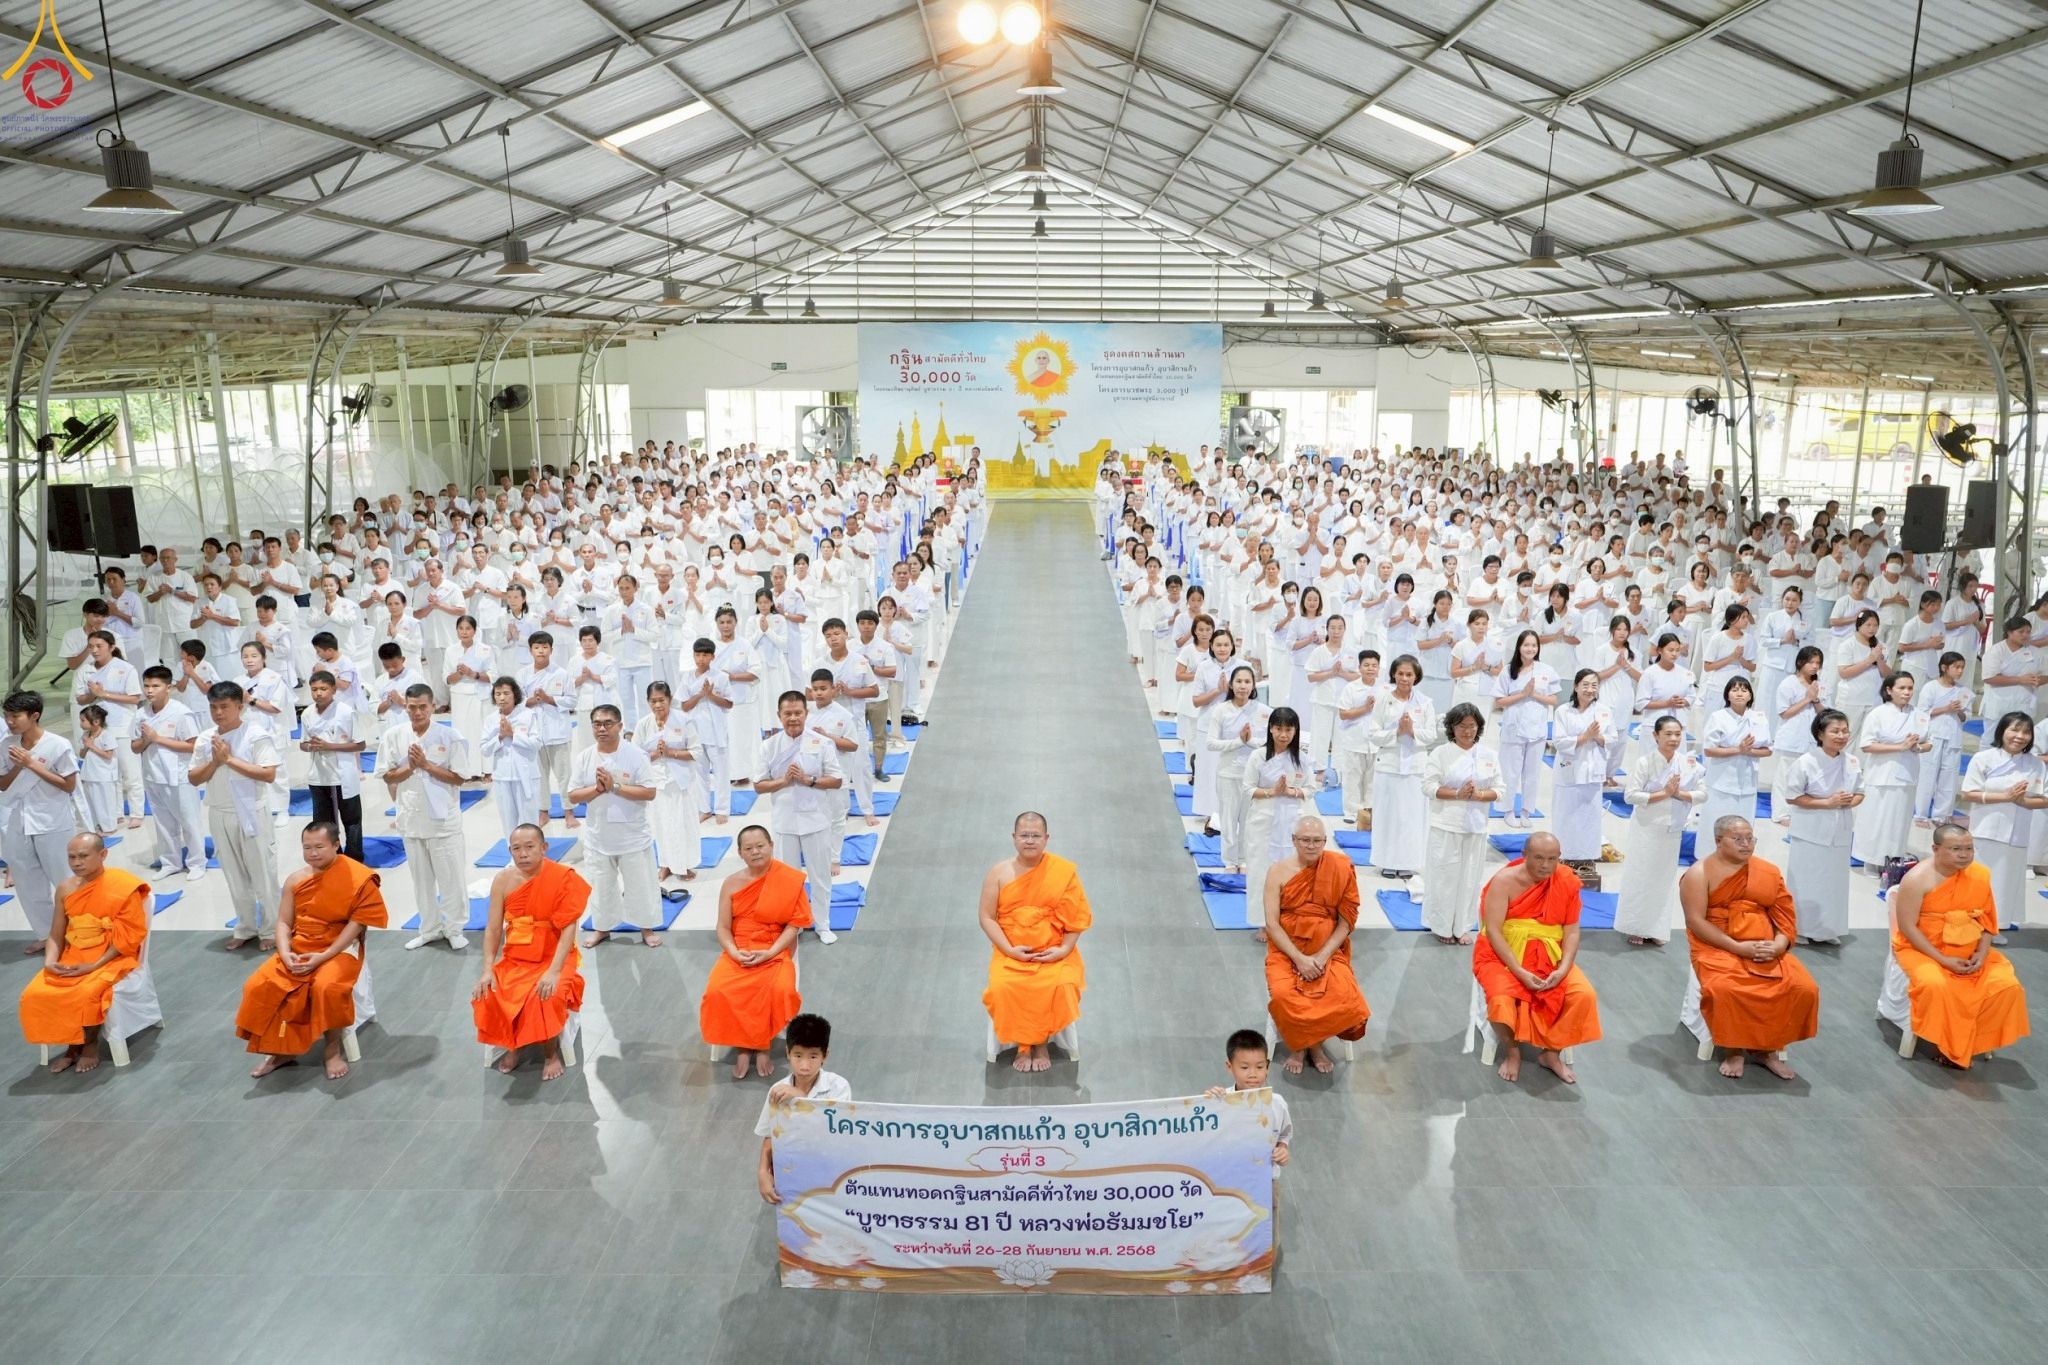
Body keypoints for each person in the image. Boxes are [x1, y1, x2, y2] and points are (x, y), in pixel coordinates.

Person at [234, 821, 388, 1080]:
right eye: (307, 847)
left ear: (336, 845)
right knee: (258, 985)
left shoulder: (358, 877)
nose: (313, 853)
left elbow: (356, 927)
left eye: (319, 847)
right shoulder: (296, 879)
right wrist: (284, 954)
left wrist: (324, 956)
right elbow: (283, 922)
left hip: (339, 948)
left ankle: (331, 1050)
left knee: (326, 987)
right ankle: (280, 1049)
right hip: (299, 946)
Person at [1679, 816, 1818, 1079]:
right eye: (1738, 839)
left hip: (1765, 943)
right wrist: (1737, 947)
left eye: (1750, 838)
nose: (1746, 844)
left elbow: (1784, 915)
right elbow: (1695, 921)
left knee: (1802, 987)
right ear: (1719, 841)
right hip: (1717, 944)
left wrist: (1778, 945)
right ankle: (1734, 1050)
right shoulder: (1700, 873)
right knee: (1726, 988)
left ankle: (1768, 1050)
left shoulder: (1767, 871)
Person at [1889, 824, 2030, 1068]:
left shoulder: (1980, 874)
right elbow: (1908, 928)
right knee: (1936, 985)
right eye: (1956, 849)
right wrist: (1943, 960)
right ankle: (1947, 1045)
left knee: (2007, 986)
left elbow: (1986, 919)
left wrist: (1982, 954)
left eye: (1969, 848)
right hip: (1923, 950)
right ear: (1935, 849)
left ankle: (1970, 1043)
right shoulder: (1916, 879)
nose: (1964, 855)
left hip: (1969, 949)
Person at [1474, 832, 1601, 1083]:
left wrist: (1564, 968)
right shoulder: (1504, 881)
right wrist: (1519, 971)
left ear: (1559, 858)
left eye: (1552, 859)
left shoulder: (1565, 880)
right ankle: (1512, 1051)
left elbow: (1572, 930)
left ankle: (1552, 1053)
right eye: (1539, 858)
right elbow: (1495, 931)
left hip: (1551, 953)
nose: (1545, 865)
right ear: (1524, 856)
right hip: (1503, 953)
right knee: (1501, 997)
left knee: (1583, 995)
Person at [17, 834, 149, 1074]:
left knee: (87, 991)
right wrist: (49, 961)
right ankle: (71, 1045)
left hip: (113, 955)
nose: (77, 862)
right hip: (74, 954)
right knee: (34, 993)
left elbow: (129, 937)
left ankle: (88, 1046)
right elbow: (56, 933)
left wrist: (94, 965)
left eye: (83, 856)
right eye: (72, 857)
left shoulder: (123, 885)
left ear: (103, 854)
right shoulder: (65, 888)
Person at [471, 823, 587, 1079]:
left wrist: (555, 971)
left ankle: (550, 1053)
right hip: (516, 957)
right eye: (516, 848)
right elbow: (492, 929)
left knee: (544, 994)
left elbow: (569, 929)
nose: (523, 854)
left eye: (529, 847)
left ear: (544, 848)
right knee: (491, 992)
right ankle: (514, 1043)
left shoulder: (563, 877)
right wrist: (487, 970)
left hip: (555, 956)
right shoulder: (503, 880)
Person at [980, 811, 1091, 1072]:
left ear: (1046, 838)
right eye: (1024, 835)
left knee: (1062, 985)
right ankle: (1023, 1044)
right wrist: (1009, 950)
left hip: (1054, 952)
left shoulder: (1063, 872)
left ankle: (1040, 1043)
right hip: (1011, 953)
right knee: (1003, 987)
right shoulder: (999, 872)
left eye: (1035, 836)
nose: (1029, 841)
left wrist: (1063, 949)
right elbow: (986, 917)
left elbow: (1077, 918)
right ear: (1014, 838)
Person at [701, 823, 811, 1079]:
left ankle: (761, 1046)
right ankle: (743, 1047)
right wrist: (734, 952)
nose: (756, 852)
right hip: (738, 950)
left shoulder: (789, 879)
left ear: (771, 845)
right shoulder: (731, 883)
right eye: (748, 848)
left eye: (760, 846)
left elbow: (795, 924)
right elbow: (723, 927)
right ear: (740, 853)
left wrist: (771, 952)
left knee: (780, 990)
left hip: (773, 949)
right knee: (717, 991)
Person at [1261, 816, 1369, 1073]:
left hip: (1328, 950)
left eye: (1317, 841)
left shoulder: (1339, 866)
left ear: (1324, 841)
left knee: (1345, 995)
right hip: (1287, 951)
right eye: (1305, 840)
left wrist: (1321, 957)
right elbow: (1271, 924)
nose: (1311, 846)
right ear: (1294, 841)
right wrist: (1299, 958)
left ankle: (1316, 1045)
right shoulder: (1277, 871)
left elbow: (1346, 922)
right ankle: (1299, 1047)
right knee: (1285, 995)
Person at [377, 683, 471, 951]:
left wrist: (427, 765)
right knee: (421, 881)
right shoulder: (394, 735)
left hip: (443, 822)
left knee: (451, 879)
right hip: (410, 819)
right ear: (405, 707)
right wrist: (410, 767)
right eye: (412, 707)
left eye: (422, 707)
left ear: (432, 707)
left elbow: (460, 777)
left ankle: (454, 928)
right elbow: (385, 774)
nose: (417, 712)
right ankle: (429, 928)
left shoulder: (449, 736)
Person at [188, 681, 281, 949]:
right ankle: (245, 927)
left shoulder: (255, 734)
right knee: (233, 874)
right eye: (213, 707)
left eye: (224, 707)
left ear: (239, 707)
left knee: (262, 873)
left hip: (252, 810)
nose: (218, 712)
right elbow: (194, 778)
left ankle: (271, 929)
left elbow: (268, 773)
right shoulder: (206, 739)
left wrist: (229, 760)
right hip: (219, 811)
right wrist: (215, 761)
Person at [754, 690, 844, 946]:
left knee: (820, 876)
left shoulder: (822, 742)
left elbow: (836, 780)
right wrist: (783, 781)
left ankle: (823, 923)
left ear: (806, 713)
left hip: (816, 821)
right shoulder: (769, 746)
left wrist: (808, 780)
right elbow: (758, 785)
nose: (793, 718)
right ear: (779, 716)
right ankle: (796, 922)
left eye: (798, 713)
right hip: (785, 822)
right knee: (788, 880)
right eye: (787, 714)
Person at [571, 703, 663, 948]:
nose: (602, 729)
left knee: (640, 885)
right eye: (597, 724)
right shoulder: (585, 757)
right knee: (601, 886)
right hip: (598, 836)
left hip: (632, 835)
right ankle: (602, 928)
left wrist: (615, 788)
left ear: (620, 726)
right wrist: (597, 790)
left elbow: (650, 792)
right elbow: (572, 795)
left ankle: (646, 928)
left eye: (608, 723)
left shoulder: (636, 755)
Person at [1, 690, 81, 954]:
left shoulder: (58, 744)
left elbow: (69, 785)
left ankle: (77, 933)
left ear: (34, 716)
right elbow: (2, 785)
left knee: (64, 881)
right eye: (7, 715)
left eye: (15, 716)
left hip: (52, 820)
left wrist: (32, 764)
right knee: (27, 882)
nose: (10, 721)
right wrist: (18, 766)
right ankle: (47, 934)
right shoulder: (6, 745)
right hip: (19, 821)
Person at [1617, 715, 1703, 946]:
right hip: (1646, 827)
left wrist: (1680, 795)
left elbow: (1703, 792)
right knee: (1641, 876)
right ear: (1655, 735)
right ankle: (1635, 926)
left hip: (1671, 828)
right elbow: (1630, 795)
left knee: (1663, 879)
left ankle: (1655, 928)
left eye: (1677, 734)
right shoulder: (1645, 762)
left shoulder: (1688, 763)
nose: (1674, 739)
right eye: (1668, 734)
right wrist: (1664, 794)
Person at [1958, 713, 2047, 935]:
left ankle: (1994, 928)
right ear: (2002, 731)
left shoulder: (2035, 764)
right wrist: (2006, 797)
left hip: (2017, 833)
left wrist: (2022, 800)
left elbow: (2044, 798)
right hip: (1986, 829)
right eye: (2014, 730)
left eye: (2026, 732)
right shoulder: (1984, 758)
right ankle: (1970, 926)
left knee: (2005, 885)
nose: (2020, 736)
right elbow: (1968, 793)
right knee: (1982, 881)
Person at [1783, 708, 1863, 944]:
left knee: (1834, 882)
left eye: (1845, 731)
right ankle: (1800, 929)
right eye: (1835, 731)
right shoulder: (1805, 762)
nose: (1841, 735)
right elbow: (1792, 796)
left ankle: (1828, 929)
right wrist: (1827, 802)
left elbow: (1860, 791)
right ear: (1820, 734)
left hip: (1840, 829)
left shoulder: (1852, 761)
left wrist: (1849, 801)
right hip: (1810, 830)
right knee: (1806, 881)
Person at [1423, 702, 1500, 945]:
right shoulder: (1441, 753)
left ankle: (1463, 926)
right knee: (1445, 877)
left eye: (1472, 726)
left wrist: (1478, 795)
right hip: (1446, 824)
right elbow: (1428, 786)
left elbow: (1500, 789)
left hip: (1476, 826)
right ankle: (1442, 925)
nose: (1467, 731)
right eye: (1462, 726)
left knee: (1470, 878)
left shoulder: (1489, 755)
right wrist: (1458, 794)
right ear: (1452, 728)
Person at [756, 1013, 851, 1204]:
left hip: (829, 1171)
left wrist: (802, 1099)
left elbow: (839, 1132)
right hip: (792, 1170)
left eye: (813, 1056)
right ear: (788, 1052)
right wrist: (762, 1171)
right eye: (798, 1056)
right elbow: (770, 1135)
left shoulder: (838, 1086)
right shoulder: (778, 1091)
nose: (805, 1066)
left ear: (825, 1055)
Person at [132, 665, 206, 880]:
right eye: (146, 686)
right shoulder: (141, 714)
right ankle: (170, 861)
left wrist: (158, 739)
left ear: (169, 687)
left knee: (189, 821)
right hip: (153, 776)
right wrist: (146, 740)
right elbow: (134, 747)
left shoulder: (181, 713)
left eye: (156, 686)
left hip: (179, 776)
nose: (150, 691)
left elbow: (194, 745)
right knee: (163, 822)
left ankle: (197, 862)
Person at [1240, 706, 1310, 932]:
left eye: (1288, 729)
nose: (1283, 734)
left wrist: (1292, 792)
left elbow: (1311, 789)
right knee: (1262, 871)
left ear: (1295, 731)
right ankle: (1263, 922)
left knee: (1290, 873)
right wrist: (1273, 792)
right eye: (1279, 728)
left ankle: (1286, 920)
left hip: (1290, 822)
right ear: (1270, 729)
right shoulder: (1258, 756)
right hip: (1263, 821)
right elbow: (1248, 789)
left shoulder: (1302, 759)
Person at [1369, 654, 1437, 880]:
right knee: (1387, 815)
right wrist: (1397, 732)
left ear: (1416, 676)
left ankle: (1408, 862)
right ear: (1393, 674)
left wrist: (1412, 731)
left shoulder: (1425, 703)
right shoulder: (1383, 701)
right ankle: (1387, 861)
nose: (1404, 678)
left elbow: (1432, 735)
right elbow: (1372, 734)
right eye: (1400, 674)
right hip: (1388, 766)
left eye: (1409, 674)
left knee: (1411, 816)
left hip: (1415, 768)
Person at [1852, 670, 1928, 867]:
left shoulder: (1919, 715)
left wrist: (1916, 747)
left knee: (1899, 822)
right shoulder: (1878, 713)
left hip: (1907, 775)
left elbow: (1929, 742)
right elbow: (1866, 745)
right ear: (1889, 690)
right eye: (1901, 688)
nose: (1907, 692)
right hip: (1881, 775)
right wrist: (1899, 747)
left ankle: (1893, 860)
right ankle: (1870, 860)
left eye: (1910, 688)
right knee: (1878, 819)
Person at [636, 679, 702, 890]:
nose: (658, 705)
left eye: (661, 700)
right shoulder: (643, 724)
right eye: (653, 701)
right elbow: (635, 756)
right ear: (648, 702)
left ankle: (685, 865)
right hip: (656, 783)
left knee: (683, 825)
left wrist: (671, 753)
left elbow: (696, 752)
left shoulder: (684, 720)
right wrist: (655, 753)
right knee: (660, 824)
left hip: (680, 781)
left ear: (670, 699)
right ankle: (665, 864)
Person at [1491, 629, 1557, 829]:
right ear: (1519, 647)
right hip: (1513, 729)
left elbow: (1553, 699)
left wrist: (1534, 694)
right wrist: (1523, 693)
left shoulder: (1546, 670)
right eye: (1526, 645)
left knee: (1532, 773)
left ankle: (1526, 811)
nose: (1530, 649)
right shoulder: (1508, 671)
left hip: (1537, 730)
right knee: (1510, 773)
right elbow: (1499, 701)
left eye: (1534, 645)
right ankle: (1508, 810)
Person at [1551, 669, 1614, 869]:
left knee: (1590, 815)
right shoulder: (1563, 711)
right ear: (1576, 686)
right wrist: (1585, 737)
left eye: (1594, 685)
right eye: (1585, 684)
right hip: (1569, 769)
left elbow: (1612, 739)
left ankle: (1587, 857)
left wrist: (1597, 737)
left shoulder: (1604, 711)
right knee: (1566, 814)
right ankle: (1564, 855)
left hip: (1593, 770)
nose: (1590, 689)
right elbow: (1558, 741)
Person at [1203, 1031, 1291, 1169]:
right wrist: (1208, 1104)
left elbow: (1283, 1135)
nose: (1252, 1074)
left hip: (1265, 1179)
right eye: (1244, 1067)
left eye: (1260, 1067)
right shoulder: (1221, 1101)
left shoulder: (1278, 1104)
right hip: (1227, 1178)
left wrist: (1283, 1149)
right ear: (1229, 1067)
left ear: (1267, 1067)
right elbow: (1205, 1138)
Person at [1207, 665, 1264, 872]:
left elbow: (1270, 742)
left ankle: (1243, 859)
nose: (1243, 686)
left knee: (1248, 821)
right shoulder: (1221, 710)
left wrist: (1251, 741)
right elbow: (1211, 743)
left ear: (1253, 685)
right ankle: (1230, 861)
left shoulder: (1262, 710)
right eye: (1239, 681)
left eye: (1247, 682)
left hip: (1252, 776)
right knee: (1229, 820)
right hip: (1228, 773)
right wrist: (1238, 742)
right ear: (1231, 684)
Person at [1699, 676, 1769, 836]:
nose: (1740, 694)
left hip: (1747, 780)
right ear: (1727, 695)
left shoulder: (1758, 717)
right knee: (1716, 820)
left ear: (1750, 696)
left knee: (1742, 822)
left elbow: (1768, 750)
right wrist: (1739, 749)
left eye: (1744, 690)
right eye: (1735, 690)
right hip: (1720, 779)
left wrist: (1748, 751)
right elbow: (1709, 750)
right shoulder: (1718, 717)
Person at [1914, 651, 1970, 827]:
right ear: (1944, 667)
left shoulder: (1964, 692)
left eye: (1962, 668)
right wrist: (1946, 708)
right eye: (1956, 667)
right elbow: (1922, 712)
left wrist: (1959, 710)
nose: (1960, 671)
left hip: (1953, 737)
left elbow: (1965, 718)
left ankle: (1942, 816)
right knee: (1927, 776)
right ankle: (1921, 815)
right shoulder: (1930, 687)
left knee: (1949, 778)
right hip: (1933, 737)